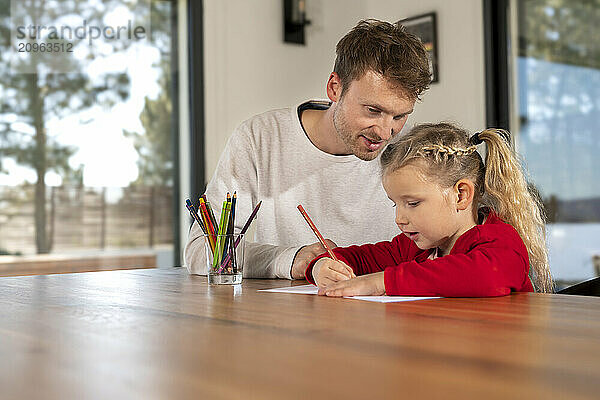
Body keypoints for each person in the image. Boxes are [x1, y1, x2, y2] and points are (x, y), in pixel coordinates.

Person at [184, 19, 431, 279]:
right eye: (373, 110)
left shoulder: (411, 148)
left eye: (399, 116)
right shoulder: (260, 138)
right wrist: (290, 259)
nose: (384, 131)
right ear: (335, 88)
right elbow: (202, 250)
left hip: (391, 309)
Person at [306, 122, 554, 296]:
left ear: (461, 195)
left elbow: (485, 276)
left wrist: (384, 281)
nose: (399, 219)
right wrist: (323, 265)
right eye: (395, 204)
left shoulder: (501, 242)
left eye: (412, 204)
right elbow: (359, 259)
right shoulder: (413, 246)